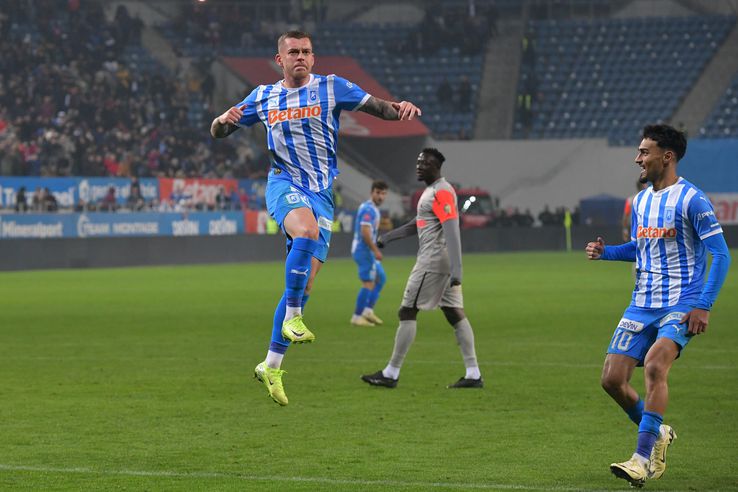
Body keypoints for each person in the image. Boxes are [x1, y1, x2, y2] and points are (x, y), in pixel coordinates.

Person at [210, 30, 421, 406]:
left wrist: (399, 106)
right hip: (284, 183)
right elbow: (219, 131)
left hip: (323, 195)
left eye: (306, 51)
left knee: (304, 286)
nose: (301, 57)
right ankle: (293, 317)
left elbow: (378, 107)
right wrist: (222, 119)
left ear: (314, 57)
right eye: (293, 52)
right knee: (304, 233)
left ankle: (271, 365)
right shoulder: (263, 96)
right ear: (281, 60)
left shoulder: (332, 88)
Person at [585, 124, 731, 488]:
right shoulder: (641, 202)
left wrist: (703, 305)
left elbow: (721, 254)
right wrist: (607, 253)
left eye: (644, 152)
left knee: (654, 364)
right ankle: (659, 432)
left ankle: (642, 458)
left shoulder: (693, 200)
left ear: (667, 156)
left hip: (681, 302)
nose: (638, 158)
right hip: (642, 302)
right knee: (612, 380)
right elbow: (641, 247)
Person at [361, 148, 483, 389]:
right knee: (454, 311)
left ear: (436, 167)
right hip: (440, 261)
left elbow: (452, 228)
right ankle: (473, 373)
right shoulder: (431, 192)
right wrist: (390, 236)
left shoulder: (441, 191)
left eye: (424, 163)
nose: (418, 166)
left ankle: (391, 373)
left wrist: (458, 269)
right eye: (417, 162)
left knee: (407, 311)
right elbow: (420, 223)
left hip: (432, 261)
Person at [350, 180, 389, 327]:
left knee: (381, 278)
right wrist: (375, 250)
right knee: (369, 282)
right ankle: (357, 316)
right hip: (364, 250)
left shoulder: (371, 208)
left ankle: (367, 311)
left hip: (366, 250)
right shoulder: (368, 210)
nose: (381, 196)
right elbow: (365, 232)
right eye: (378, 193)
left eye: (383, 193)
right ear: (372, 192)